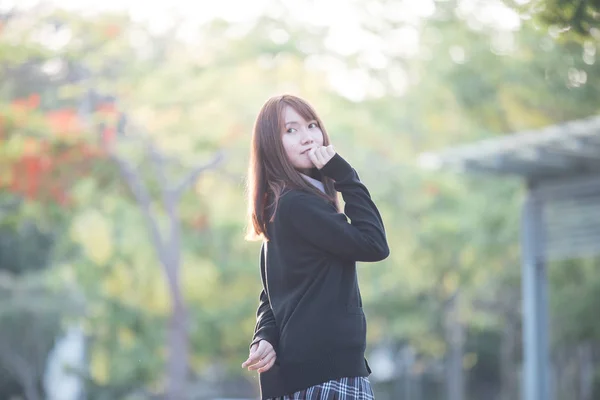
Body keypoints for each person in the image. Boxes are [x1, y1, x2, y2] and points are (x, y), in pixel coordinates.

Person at [242, 94, 389, 400]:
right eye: (291, 130)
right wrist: (347, 176)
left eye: (311, 126)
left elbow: (273, 292)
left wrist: (264, 334)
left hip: (310, 376)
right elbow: (374, 244)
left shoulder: (282, 204)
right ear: (271, 144)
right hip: (326, 376)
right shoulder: (297, 205)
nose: (308, 138)